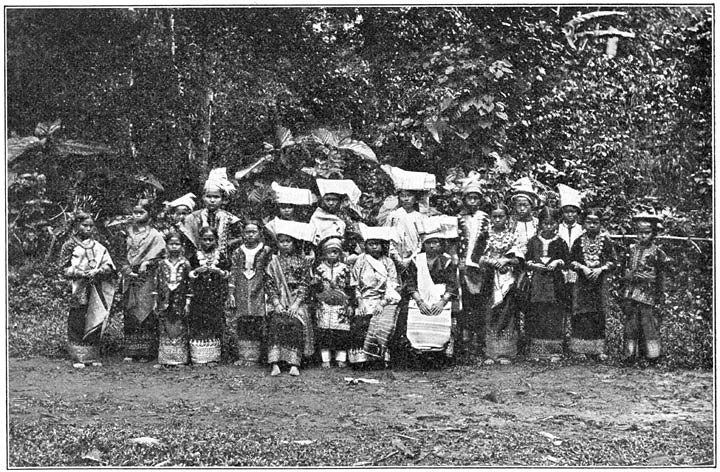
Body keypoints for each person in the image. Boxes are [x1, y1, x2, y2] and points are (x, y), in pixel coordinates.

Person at [59, 212, 117, 368]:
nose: (88, 229)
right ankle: (78, 357)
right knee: (77, 318)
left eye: (91, 226)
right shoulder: (69, 245)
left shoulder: (98, 246)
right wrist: (80, 273)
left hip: (96, 286)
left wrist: (99, 271)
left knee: (94, 316)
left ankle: (92, 355)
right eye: (85, 225)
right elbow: (63, 269)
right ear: (77, 225)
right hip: (78, 287)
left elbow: (109, 265)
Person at [401, 216, 459, 368]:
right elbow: (410, 283)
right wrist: (419, 301)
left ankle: (440, 354)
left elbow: (452, 284)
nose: (432, 246)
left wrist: (442, 302)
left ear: (441, 244)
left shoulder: (446, 261)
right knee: (417, 321)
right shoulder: (416, 261)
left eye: (436, 242)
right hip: (420, 295)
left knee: (442, 322)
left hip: (441, 296)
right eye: (429, 242)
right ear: (423, 244)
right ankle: (419, 354)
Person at [265, 220, 316, 376]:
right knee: (276, 322)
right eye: (281, 241)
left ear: (294, 243)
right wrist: (276, 303)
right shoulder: (273, 262)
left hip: (296, 300)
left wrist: (296, 304)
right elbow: (270, 283)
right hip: (279, 299)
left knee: (295, 323)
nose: (284, 244)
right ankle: (275, 363)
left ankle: (294, 363)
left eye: (288, 241)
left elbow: (304, 284)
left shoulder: (302, 262)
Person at [349, 224, 402, 369]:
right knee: (360, 322)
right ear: (366, 245)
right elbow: (355, 283)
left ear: (382, 246)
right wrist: (359, 302)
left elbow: (393, 285)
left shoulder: (388, 262)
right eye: (371, 244)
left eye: (377, 244)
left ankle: (381, 357)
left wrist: (382, 303)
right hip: (365, 299)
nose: (374, 247)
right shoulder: (361, 260)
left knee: (385, 323)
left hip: (384, 300)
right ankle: (361, 359)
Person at [568, 208, 617, 360]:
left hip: (598, 284)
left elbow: (614, 262)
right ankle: (580, 349)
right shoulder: (578, 241)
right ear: (583, 223)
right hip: (582, 284)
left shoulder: (606, 242)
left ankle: (597, 350)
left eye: (595, 222)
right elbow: (571, 261)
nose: (592, 225)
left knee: (598, 314)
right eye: (588, 222)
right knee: (581, 314)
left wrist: (600, 269)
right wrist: (582, 267)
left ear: (601, 224)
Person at [478, 204, 524, 365]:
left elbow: (519, 257)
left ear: (507, 218)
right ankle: (490, 353)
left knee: (507, 313)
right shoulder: (485, 235)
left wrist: (506, 260)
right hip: (489, 278)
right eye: (494, 216)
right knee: (491, 311)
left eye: (501, 216)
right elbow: (478, 257)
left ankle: (506, 352)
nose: (497, 219)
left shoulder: (513, 235)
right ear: (490, 218)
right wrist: (493, 262)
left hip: (508, 278)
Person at [620, 210, 668, 363]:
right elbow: (624, 272)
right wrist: (630, 276)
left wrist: (655, 287)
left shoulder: (658, 253)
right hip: (631, 292)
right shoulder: (630, 250)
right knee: (631, 324)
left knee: (648, 324)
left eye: (646, 233)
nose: (642, 236)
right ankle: (629, 355)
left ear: (653, 234)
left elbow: (661, 276)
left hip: (648, 294)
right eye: (640, 233)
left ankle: (652, 356)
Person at [122, 198, 166, 362]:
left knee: (147, 311)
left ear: (149, 214)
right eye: (135, 212)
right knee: (130, 310)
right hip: (130, 276)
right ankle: (131, 351)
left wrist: (148, 263)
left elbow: (162, 256)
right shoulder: (127, 233)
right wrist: (127, 269)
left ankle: (147, 352)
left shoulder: (155, 235)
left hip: (147, 277)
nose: (137, 215)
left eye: (142, 212)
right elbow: (122, 254)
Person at [524, 208, 570, 362]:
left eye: (552, 223)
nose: (549, 227)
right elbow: (526, 260)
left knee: (553, 313)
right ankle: (536, 351)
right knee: (537, 312)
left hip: (555, 283)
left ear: (557, 224)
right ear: (540, 224)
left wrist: (557, 262)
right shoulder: (533, 241)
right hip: (537, 282)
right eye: (545, 223)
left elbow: (566, 261)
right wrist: (533, 264)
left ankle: (554, 351)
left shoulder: (560, 241)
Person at [227, 219, 274, 366]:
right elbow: (234, 271)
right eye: (247, 232)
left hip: (259, 288)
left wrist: (268, 293)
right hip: (242, 288)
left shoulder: (266, 250)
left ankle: (255, 357)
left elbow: (270, 271)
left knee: (257, 320)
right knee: (243, 320)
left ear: (260, 233)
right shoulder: (238, 251)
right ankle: (243, 356)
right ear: (243, 234)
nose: (250, 235)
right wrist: (231, 292)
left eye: (254, 232)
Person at [187, 226, 232, 365]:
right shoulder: (195, 256)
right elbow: (188, 275)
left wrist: (218, 271)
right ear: (199, 240)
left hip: (215, 294)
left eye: (211, 240)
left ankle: (214, 355)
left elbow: (228, 273)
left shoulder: (221, 256)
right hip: (199, 295)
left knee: (215, 320)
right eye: (205, 240)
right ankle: (199, 355)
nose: (208, 243)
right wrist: (197, 271)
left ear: (216, 240)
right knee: (199, 320)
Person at [456, 178, 490, 355]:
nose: (473, 202)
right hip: (464, 265)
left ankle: (480, 341)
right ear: (464, 200)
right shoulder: (459, 218)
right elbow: (455, 242)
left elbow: (489, 239)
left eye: (476, 198)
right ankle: (465, 342)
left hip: (479, 265)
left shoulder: (485, 218)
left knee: (480, 303)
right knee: (465, 303)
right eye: (470, 198)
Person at [311, 236, 353, 369]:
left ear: (340, 253)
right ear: (324, 254)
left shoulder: (345, 269)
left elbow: (350, 287)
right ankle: (326, 358)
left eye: (335, 252)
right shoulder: (319, 269)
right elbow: (315, 287)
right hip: (324, 303)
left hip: (341, 303)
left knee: (341, 333)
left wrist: (350, 303)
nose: (332, 255)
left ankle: (341, 358)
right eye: (330, 252)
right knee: (324, 332)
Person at [181, 168, 242, 257]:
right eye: (208, 196)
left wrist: (226, 245)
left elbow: (239, 239)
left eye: (216, 197)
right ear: (203, 197)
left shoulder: (231, 219)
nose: (212, 200)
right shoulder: (192, 218)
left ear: (223, 199)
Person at [154, 232, 192, 367]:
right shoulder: (162, 264)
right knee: (165, 326)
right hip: (165, 300)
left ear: (182, 246)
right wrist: (155, 301)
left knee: (179, 326)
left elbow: (189, 284)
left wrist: (188, 303)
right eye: (171, 244)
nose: (174, 247)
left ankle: (180, 359)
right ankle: (165, 359)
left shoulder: (185, 264)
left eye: (177, 244)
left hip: (180, 300)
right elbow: (157, 283)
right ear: (166, 246)